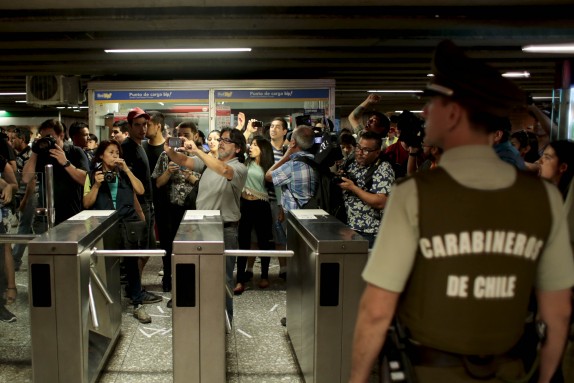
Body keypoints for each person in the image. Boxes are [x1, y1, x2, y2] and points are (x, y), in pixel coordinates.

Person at [350, 40, 574, 383]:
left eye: (434, 103)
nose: (425, 113)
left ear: (454, 114)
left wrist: (358, 378)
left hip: (428, 371)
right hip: (511, 369)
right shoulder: (544, 198)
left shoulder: (415, 194)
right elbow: (557, 312)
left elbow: (377, 310)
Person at [163, 127, 247, 321]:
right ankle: (204, 320)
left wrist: (199, 150)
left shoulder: (239, 168)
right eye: (221, 139)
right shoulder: (209, 163)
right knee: (201, 276)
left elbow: (224, 170)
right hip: (202, 227)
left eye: (227, 140)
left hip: (224, 229)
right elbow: (184, 161)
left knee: (223, 279)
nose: (222, 143)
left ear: (238, 149)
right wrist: (170, 151)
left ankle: (225, 322)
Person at [83, 140, 161, 323]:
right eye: (111, 152)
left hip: (127, 224)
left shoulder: (124, 174)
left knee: (132, 264)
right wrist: (96, 185)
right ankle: (106, 305)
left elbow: (140, 191)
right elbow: (86, 203)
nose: (115, 156)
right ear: (101, 155)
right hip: (103, 225)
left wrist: (126, 170)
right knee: (105, 266)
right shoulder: (92, 175)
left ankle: (137, 303)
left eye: (117, 152)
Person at [152, 121, 201, 297]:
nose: (182, 138)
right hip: (170, 209)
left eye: (186, 135)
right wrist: (168, 172)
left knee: (191, 248)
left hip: (194, 210)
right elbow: (157, 183)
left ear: (195, 136)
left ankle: (188, 280)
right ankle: (168, 277)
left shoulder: (202, 157)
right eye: (179, 134)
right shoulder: (166, 156)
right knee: (168, 245)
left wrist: (192, 179)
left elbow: (209, 186)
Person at [22, 119, 89, 226]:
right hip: (45, 215)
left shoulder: (75, 152)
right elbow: (26, 178)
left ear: (61, 135)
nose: (47, 140)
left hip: (71, 214)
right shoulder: (41, 155)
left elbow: (86, 180)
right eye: (44, 138)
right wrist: (35, 151)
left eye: (50, 137)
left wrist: (65, 163)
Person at [338, 131, 395, 247]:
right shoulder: (351, 161)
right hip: (348, 227)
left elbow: (381, 202)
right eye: (358, 148)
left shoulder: (383, 168)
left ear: (377, 152)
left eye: (366, 150)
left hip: (370, 232)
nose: (360, 153)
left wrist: (353, 188)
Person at [234, 137, 275, 294]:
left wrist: (281, 208)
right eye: (251, 145)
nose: (251, 147)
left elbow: (276, 187)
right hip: (245, 205)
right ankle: (239, 280)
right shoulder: (245, 162)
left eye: (256, 145)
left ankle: (264, 276)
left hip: (262, 205)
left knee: (264, 241)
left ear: (263, 149)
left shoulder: (268, 167)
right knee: (243, 242)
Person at [121, 108, 155, 277]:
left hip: (146, 203)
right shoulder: (127, 148)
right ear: (129, 126)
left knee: (147, 248)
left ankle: (135, 286)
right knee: (141, 249)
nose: (142, 129)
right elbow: (129, 184)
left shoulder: (140, 146)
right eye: (138, 125)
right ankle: (134, 288)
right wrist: (140, 210)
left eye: (145, 125)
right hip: (139, 205)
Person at [265, 125, 318, 213]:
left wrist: (285, 157)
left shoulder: (293, 166)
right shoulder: (314, 161)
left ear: (293, 143)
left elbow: (268, 176)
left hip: (295, 215)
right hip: (312, 211)